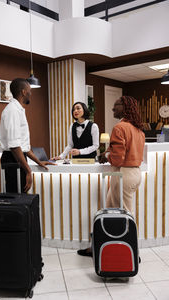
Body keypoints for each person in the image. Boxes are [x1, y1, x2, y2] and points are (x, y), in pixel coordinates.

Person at [77, 95, 145, 257]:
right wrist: (109, 152)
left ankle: (132, 252)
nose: (113, 108)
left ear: (125, 107)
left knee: (126, 215)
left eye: (117, 105)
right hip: (134, 174)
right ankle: (96, 247)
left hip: (123, 175)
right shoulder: (138, 129)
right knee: (109, 210)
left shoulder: (120, 128)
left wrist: (105, 156)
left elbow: (117, 158)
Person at [0, 78, 53, 193]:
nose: (31, 93)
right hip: (13, 159)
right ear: (24, 92)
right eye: (29, 90)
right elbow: (14, 145)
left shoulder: (18, 110)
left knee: (21, 197)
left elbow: (24, 146)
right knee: (16, 198)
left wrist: (39, 162)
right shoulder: (12, 111)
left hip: (18, 158)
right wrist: (28, 170)